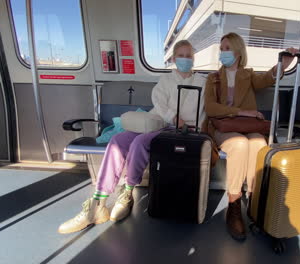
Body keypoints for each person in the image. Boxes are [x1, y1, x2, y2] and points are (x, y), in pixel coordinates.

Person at [58, 40, 206, 234]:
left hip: (181, 131)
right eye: (181, 55)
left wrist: (186, 126)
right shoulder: (166, 81)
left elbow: (201, 111)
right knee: (118, 141)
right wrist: (173, 117)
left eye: (189, 56)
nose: (185, 59)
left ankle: (127, 192)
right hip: (157, 122)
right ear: (174, 58)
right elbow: (159, 104)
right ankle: (98, 202)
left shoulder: (202, 82)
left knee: (139, 142)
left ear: (193, 59)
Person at [204, 32, 297, 241]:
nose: (223, 53)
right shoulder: (213, 78)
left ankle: (255, 202)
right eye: (221, 49)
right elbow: (210, 107)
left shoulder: (248, 75)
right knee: (239, 144)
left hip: (248, 127)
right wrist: (241, 112)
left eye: (227, 48)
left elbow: (267, 79)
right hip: (223, 127)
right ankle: (234, 203)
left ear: (238, 52)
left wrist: (283, 65)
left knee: (258, 144)